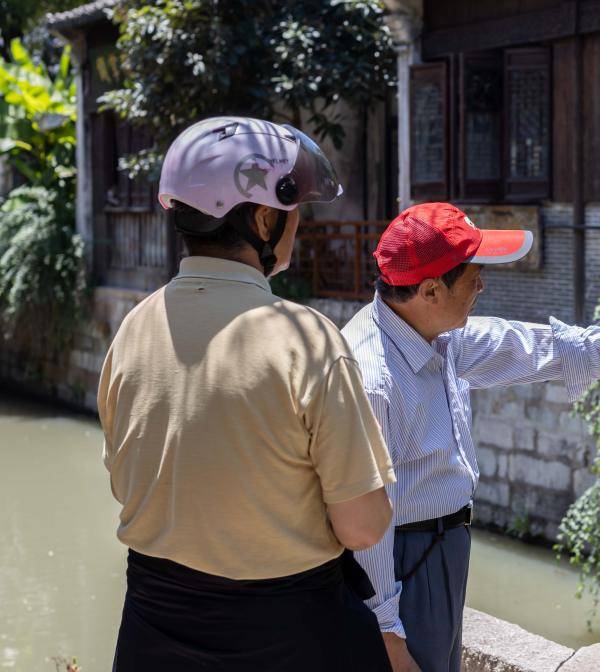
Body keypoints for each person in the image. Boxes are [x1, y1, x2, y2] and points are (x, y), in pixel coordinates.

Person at [342, 202, 600, 672]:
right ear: (432, 289)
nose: (482, 285)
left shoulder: (431, 332)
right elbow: (365, 528)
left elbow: (518, 343)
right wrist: (388, 635)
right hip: (403, 564)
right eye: (473, 274)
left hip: (440, 547)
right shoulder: (375, 377)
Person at [97, 116, 396, 671]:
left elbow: (126, 484)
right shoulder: (306, 338)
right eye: (294, 209)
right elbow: (363, 525)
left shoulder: (133, 328)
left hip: (154, 628)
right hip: (286, 632)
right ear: (264, 218)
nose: (298, 223)